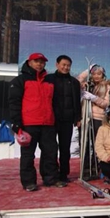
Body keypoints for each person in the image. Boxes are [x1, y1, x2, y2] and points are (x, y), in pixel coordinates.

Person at [9, 52, 65, 191]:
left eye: (42, 62)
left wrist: (56, 121)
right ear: (29, 63)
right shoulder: (20, 80)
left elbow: (55, 103)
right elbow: (14, 103)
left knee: (50, 153)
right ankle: (29, 182)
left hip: (48, 123)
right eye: (36, 61)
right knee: (28, 155)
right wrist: (17, 123)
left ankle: (51, 179)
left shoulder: (49, 81)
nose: (39, 64)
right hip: (29, 124)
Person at [47, 55, 81, 183]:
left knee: (65, 148)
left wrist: (77, 118)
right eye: (63, 65)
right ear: (57, 65)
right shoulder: (49, 79)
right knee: (51, 148)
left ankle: (64, 174)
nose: (66, 67)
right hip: (51, 119)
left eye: (68, 65)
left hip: (67, 120)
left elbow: (76, 102)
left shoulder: (74, 82)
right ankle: (51, 173)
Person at [78, 64, 110, 179]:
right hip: (85, 117)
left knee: (97, 143)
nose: (96, 76)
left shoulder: (106, 86)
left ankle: (96, 166)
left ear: (103, 75)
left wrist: (93, 98)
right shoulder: (86, 85)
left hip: (98, 118)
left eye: (99, 74)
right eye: (94, 73)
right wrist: (88, 69)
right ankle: (86, 167)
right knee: (85, 143)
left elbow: (106, 103)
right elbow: (77, 80)